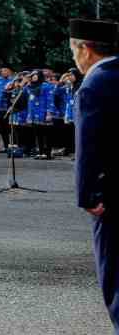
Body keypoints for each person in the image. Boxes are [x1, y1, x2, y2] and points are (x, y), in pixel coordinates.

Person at [69, 18, 119, 332]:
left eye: (74, 51)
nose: (74, 59)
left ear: (86, 49)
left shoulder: (94, 84)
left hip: (112, 195)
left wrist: (87, 195)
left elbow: (87, 147)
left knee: (115, 275)